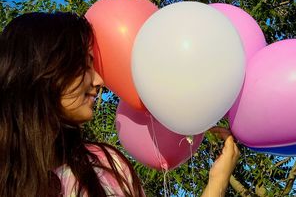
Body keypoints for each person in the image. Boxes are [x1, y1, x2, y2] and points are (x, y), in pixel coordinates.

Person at [0, 12, 239, 197]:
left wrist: (217, 183)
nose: (99, 80)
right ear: (43, 71)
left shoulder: (107, 166)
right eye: (84, 65)